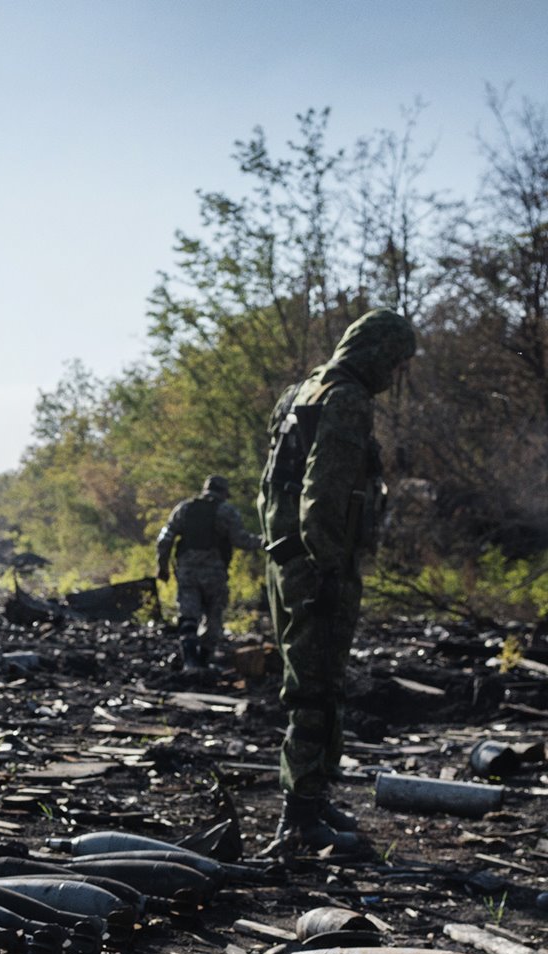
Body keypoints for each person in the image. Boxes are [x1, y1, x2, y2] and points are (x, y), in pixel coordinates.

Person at [256, 307, 418, 854]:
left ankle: (313, 798)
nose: (393, 376)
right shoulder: (346, 398)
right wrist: (325, 565)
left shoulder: (299, 393)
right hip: (318, 564)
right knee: (316, 689)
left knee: (318, 683)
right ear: (374, 352)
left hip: (286, 559)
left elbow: (270, 487)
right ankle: (299, 819)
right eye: (393, 363)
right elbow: (322, 492)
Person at [155, 474, 261, 670]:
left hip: (187, 572)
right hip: (215, 574)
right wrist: (265, 542)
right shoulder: (226, 511)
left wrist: (162, 567)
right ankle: (203, 661)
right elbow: (241, 541)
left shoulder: (184, 508)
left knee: (188, 615)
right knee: (214, 620)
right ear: (223, 492)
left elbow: (165, 538)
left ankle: (190, 662)